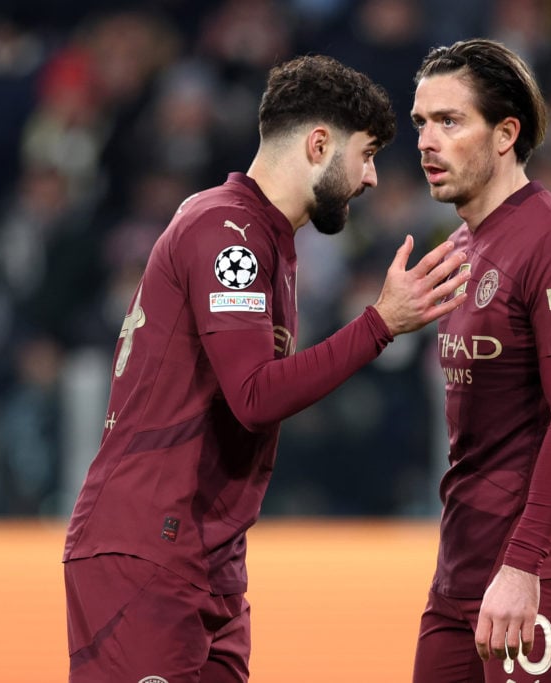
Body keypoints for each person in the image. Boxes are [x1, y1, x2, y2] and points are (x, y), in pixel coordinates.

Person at [61, 54, 468, 682]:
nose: (372, 178)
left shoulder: (263, 238)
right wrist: (380, 324)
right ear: (317, 143)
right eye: (366, 154)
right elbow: (253, 396)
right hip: (146, 550)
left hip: (206, 556)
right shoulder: (228, 233)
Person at [410, 38, 551, 682]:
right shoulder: (462, 248)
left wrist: (524, 564)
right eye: (421, 122)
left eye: (450, 121)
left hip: (541, 573)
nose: (425, 140)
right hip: (463, 571)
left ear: (506, 134)